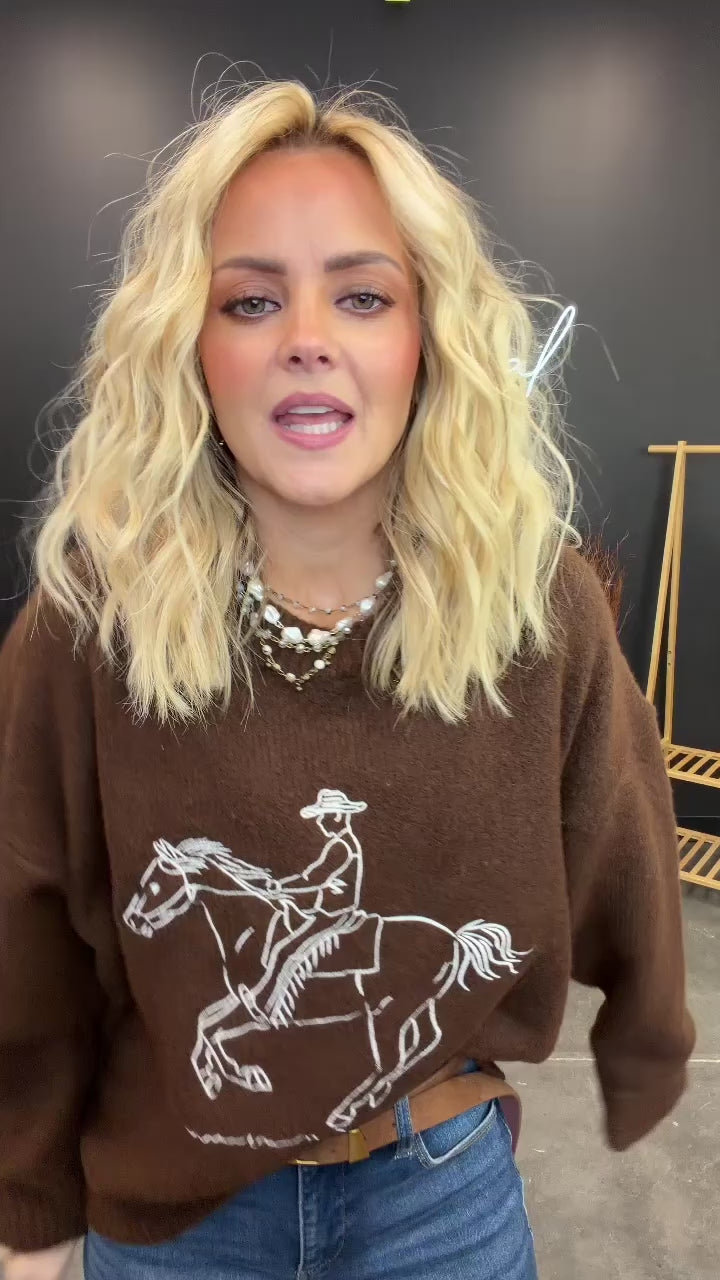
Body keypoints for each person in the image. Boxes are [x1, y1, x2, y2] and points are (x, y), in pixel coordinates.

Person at [0, 78, 695, 1280]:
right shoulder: (89, 625)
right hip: (171, 1221)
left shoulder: (536, 613)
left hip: (439, 1196)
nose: (306, 337)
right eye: (251, 299)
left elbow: (625, 851)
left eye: (363, 295)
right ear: (190, 346)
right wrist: (27, 1212)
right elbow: (26, 936)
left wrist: (648, 1042)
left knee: (290, 967)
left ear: (427, 340)